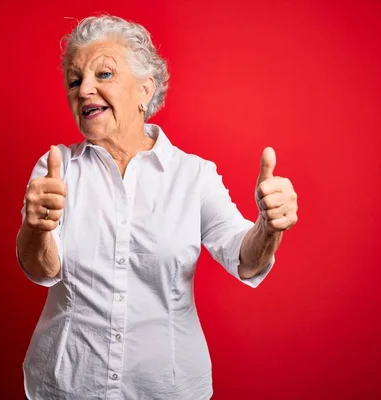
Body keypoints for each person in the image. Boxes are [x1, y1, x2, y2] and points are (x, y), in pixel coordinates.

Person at [16, 14, 298, 400]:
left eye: (104, 75)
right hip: (67, 384)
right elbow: (42, 270)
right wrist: (36, 228)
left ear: (144, 90)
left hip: (167, 387)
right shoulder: (55, 169)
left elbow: (245, 260)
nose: (84, 91)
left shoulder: (193, 175)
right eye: (75, 80)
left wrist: (268, 227)